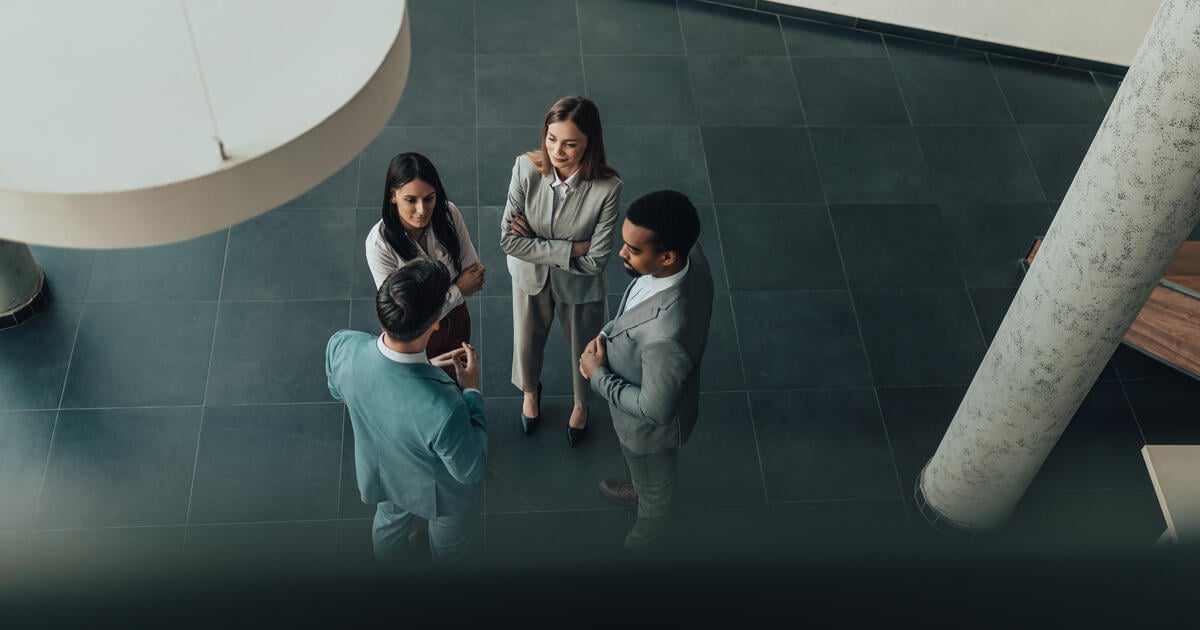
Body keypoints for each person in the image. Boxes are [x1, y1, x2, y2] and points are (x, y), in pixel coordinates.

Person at [326, 260, 486, 565]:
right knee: (448, 551)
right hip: (441, 497)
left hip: (383, 476)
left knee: (388, 529)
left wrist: (426, 368)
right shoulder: (446, 407)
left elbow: (340, 391)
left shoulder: (342, 347)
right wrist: (471, 391)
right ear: (436, 321)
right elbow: (470, 470)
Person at [579, 190, 714, 552]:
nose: (621, 253)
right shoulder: (692, 255)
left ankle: (644, 541)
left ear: (667, 256)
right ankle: (640, 488)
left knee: (656, 489)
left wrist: (597, 375)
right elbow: (637, 309)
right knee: (647, 479)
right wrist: (609, 333)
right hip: (645, 374)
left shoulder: (664, 339)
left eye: (634, 250)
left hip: (647, 433)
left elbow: (655, 410)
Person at [501, 96, 623, 447]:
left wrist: (536, 243)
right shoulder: (524, 168)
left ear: (589, 143)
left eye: (570, 144)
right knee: (526, 345)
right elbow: (508, 240)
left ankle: (582, 404)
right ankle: (530, 392)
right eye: (551, 138)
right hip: (529, 279)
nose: (557, 151)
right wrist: (571, 249)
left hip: (580, 285)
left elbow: (595, 261)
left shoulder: (608, 188)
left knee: (585, 350)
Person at [367, 152, 485, 361]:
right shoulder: (379, 244)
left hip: (456, 321)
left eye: (429, 198)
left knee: (460, 375)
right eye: (411, 200)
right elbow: (404, 316)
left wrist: (429, 304)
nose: (422, 210)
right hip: (409, 338)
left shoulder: (449, 214)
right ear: (393, 196)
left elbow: (474, 276)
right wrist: (457, 289)